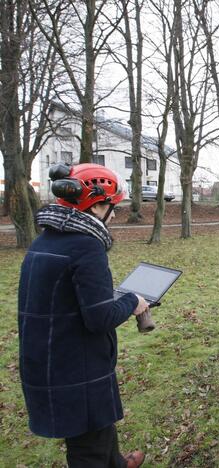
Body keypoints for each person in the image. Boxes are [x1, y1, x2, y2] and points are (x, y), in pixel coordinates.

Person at [18, 163, 149, 467]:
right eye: (110, 206)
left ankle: (116, 462)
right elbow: (100, 318)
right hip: (75, 366)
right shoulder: (87, 246)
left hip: (49, 358)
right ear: (94, 204)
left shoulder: (45, 241)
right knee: (86, 448)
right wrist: (132, 301)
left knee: (97, 425)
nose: (114, 215)